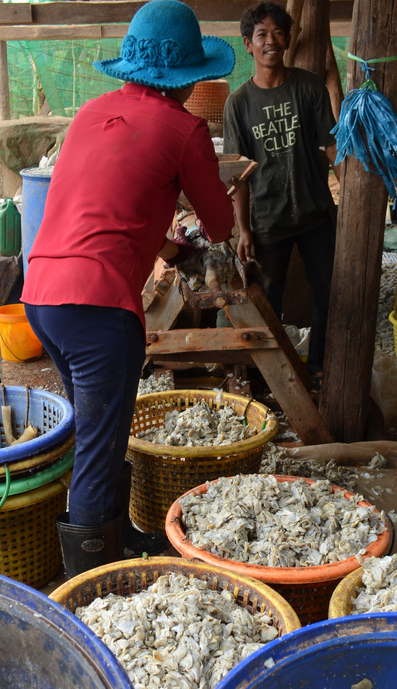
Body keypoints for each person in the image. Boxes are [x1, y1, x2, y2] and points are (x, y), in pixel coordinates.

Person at [22, 0, 236, 577]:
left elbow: (108, 210)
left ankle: (115, 542)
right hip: (96, 309)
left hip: (42, 294)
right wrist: (216, 217)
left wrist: (166, 245)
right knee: (98, 448)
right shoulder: (185, 128)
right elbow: (219, 224)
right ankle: (93, 590)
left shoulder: (91, 114)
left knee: (102, 432)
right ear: (189, 79)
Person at [223, 1, 339, 377]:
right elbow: (238, 174)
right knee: (268, 300)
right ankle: (270, 376)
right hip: (269, 220)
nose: (270, 41)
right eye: (262, 35)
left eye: (278, 33)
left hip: (316, 213)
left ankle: (319, 366)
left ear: (288, 40)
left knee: (328, 293)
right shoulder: (239, 104)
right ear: (248, 44)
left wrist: (352, 190)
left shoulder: (309, 87)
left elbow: (332, 146)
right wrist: (243, 229)